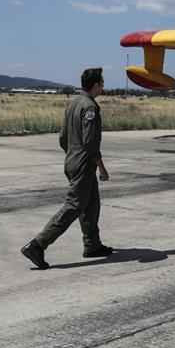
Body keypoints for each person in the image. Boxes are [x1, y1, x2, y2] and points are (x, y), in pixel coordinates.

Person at [21, 67, 112, 269]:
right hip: (83, 162)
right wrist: (101, 167)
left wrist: (72, 154)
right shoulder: (90, 107)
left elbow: (63, 137)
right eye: (102, 83)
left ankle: (92, 245)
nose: (103, 86)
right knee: (74, 206)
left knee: (92, 203)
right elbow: (90, 143)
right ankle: (38, 245)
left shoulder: (73, 104)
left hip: (72, 158)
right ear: (96, 85)